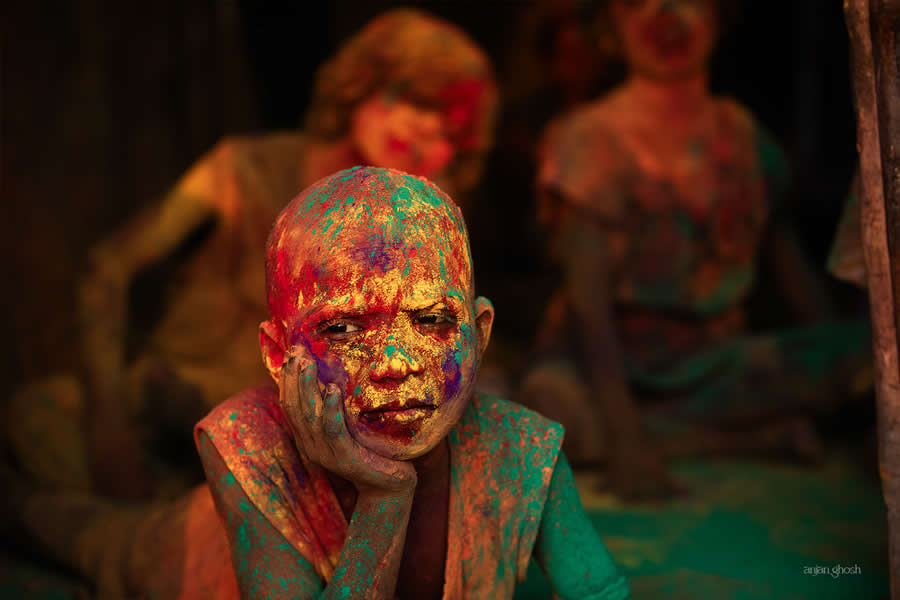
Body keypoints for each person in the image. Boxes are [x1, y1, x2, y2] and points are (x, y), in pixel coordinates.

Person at [6, 167, 631, 600]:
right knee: (70, 528)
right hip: (179, 554)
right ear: (278, 357)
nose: (396, 363)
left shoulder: (523, 454)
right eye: (341, 330)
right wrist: (385, 499)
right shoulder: (245, 445)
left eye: (434, 321)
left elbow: (599, 587)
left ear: (481, 331)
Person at [6, 8, 499, 501]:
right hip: (165, 405)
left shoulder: (421, 218)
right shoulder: (241, 171)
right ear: (363, 84)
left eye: (448, 134)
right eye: (411, 101)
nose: (421, 135)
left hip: (302, 441)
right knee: (34, 419)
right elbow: (107, 269)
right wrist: (108, 425)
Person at [520, 0, 872, 500]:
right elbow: (588, 310)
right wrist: (627, 443)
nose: (665, 16)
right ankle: (721, 437)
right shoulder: (590, 138)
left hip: (718, 363)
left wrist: (826, 359)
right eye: (637, 2)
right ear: (608, 26)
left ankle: (693, 431)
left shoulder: (743, 135)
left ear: (719, 15)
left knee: (863, 353)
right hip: (607, 370)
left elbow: (788, 265)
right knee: (552, 409)